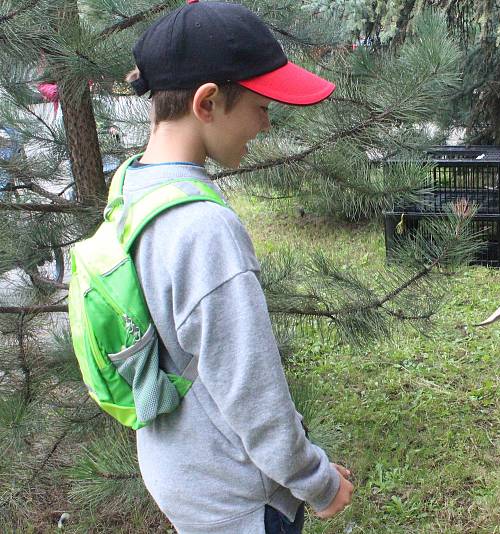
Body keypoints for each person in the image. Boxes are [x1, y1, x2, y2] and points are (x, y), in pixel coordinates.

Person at [122, 2, 353, 532]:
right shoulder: (203, 229)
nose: (266, 123)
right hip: (237, 499)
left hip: (181, 474)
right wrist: (317, 480)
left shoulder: (133, 189)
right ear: (208, 102)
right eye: (261, 104)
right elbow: (253, 394)